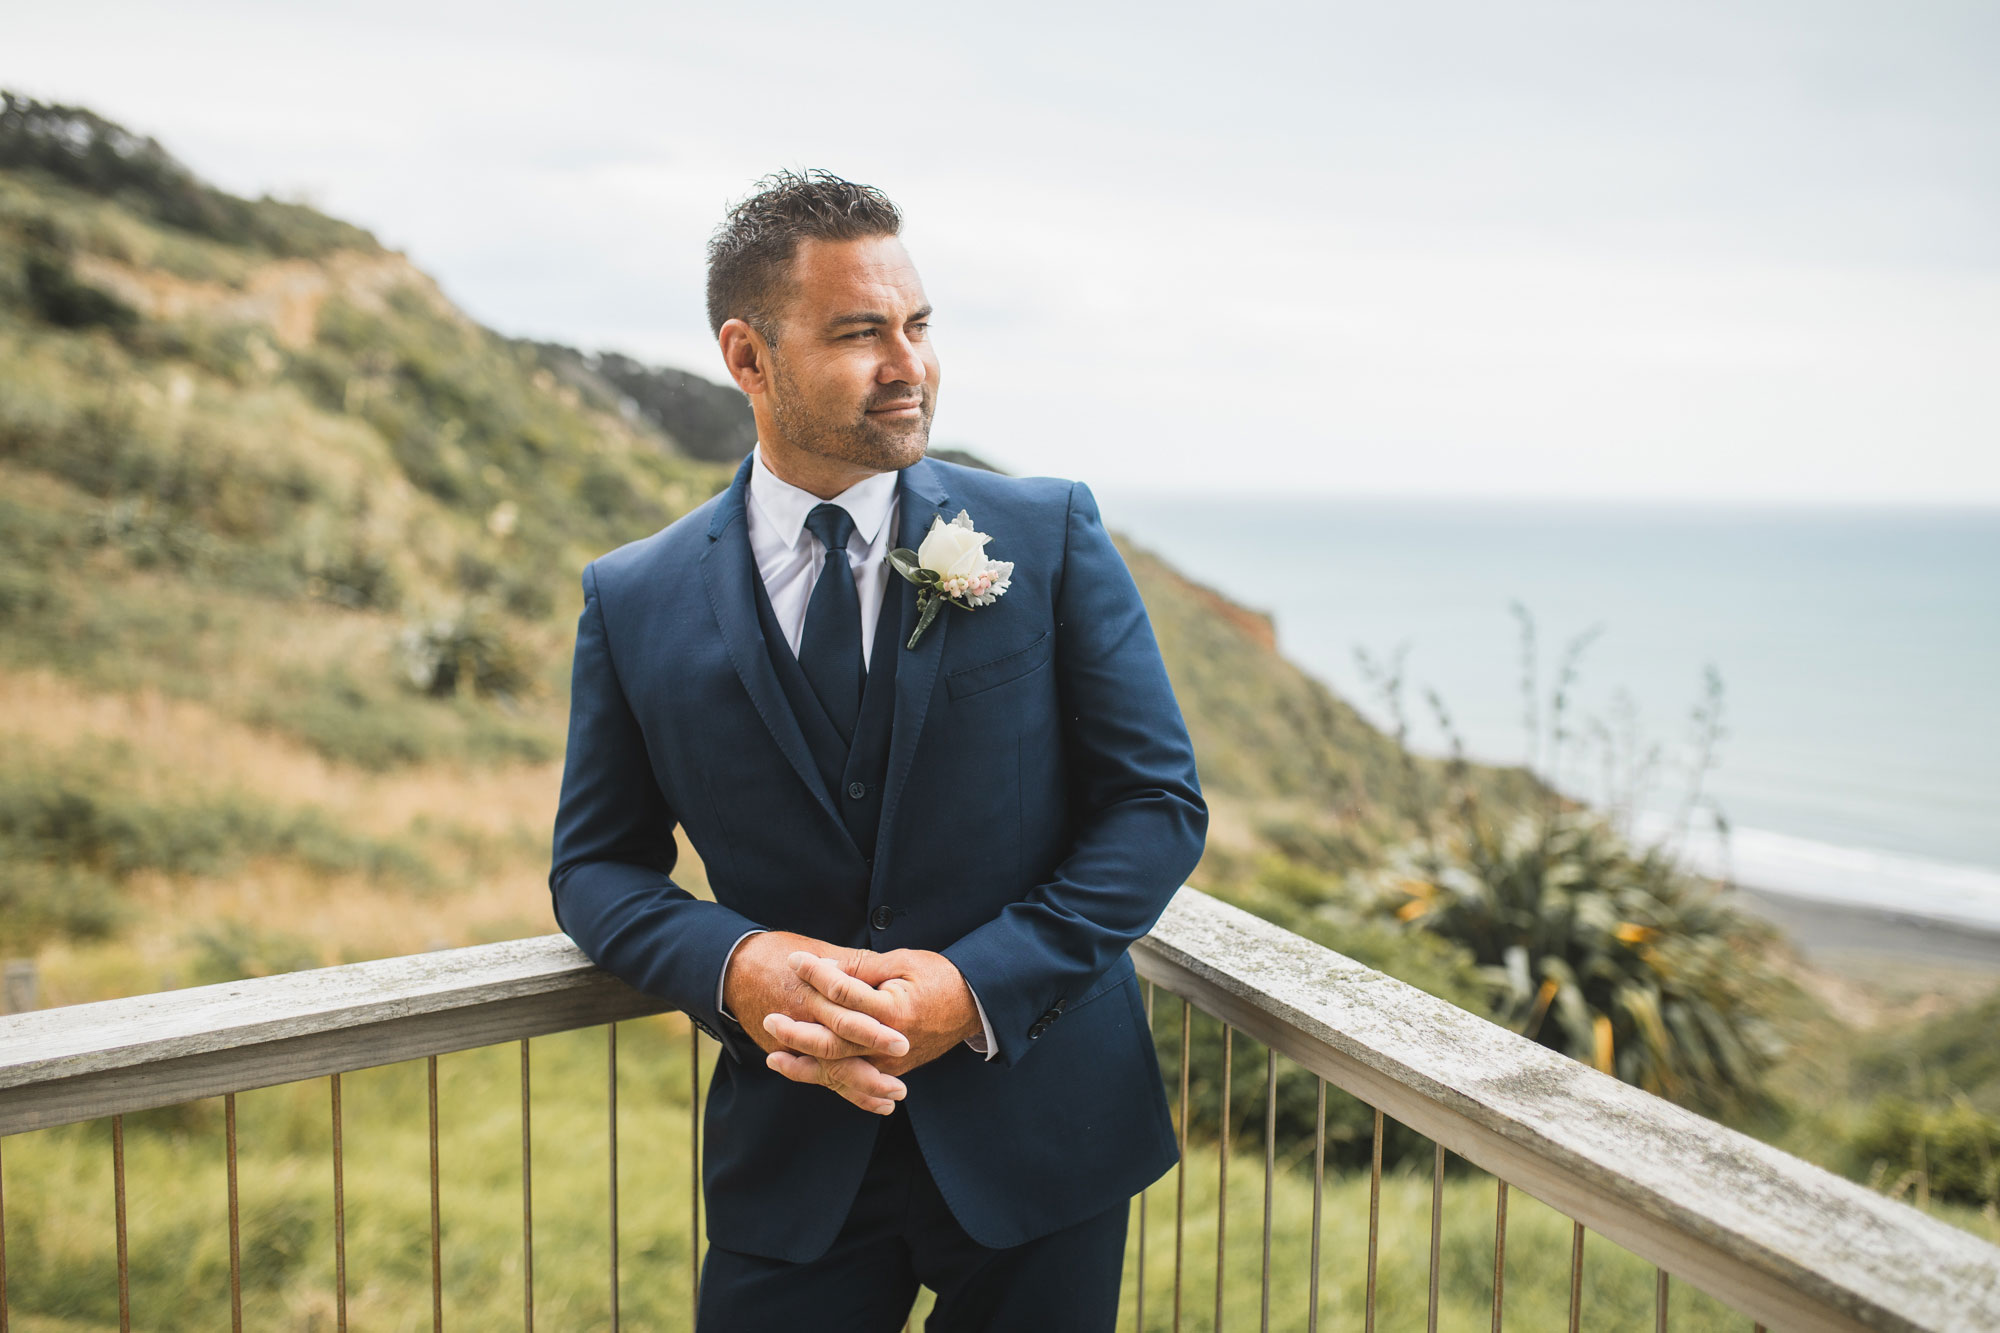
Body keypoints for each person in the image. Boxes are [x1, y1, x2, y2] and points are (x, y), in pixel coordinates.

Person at [548, 169, 1207, 1330]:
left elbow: (1155, 806)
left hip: (1043, 1136)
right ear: (747, 358)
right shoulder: (633, 597)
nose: (907, 365)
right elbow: (595, 867)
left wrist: (973, 985)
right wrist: (736, 965)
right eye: (859, 333)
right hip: (795, 1157)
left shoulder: (1045, 534)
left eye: (916, 325)